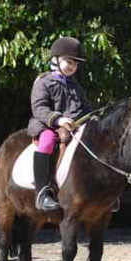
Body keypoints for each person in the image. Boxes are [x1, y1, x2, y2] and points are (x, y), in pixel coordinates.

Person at [28, 37, 94, 211]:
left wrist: (93, 117)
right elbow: (39, 108)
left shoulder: (76, 87)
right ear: (56, 59)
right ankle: (42, 192)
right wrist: (58, 119)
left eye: (76, 64)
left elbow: (87, 108)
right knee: (47, 141)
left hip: (73, 127)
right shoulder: (43, 82)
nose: (73, 66)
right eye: (69, 61)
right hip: (48, 125)